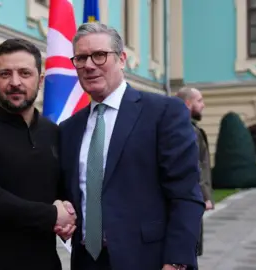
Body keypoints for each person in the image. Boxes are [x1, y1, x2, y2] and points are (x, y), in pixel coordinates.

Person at [59, 22, 205, 270]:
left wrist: (177, 261)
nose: (89, 65)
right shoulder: (69, 128)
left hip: (148, 260)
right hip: (86, 261)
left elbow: (186, 194)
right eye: (81, 58)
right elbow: (71, 193)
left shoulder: (164, 112)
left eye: (99, 55)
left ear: (122, 59)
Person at [0, 38, 76, 270]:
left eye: (24, 73)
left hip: (45, 262)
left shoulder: (53, 132)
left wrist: (68, 215)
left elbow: (61, 190)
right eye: (5, 74)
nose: (15, 82)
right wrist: (53, 215)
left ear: (40, 81)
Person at [176, 87, 214, 257]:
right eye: (199, 101)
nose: (203, 105)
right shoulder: (188, 130)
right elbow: (195, 166)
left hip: (188, 198)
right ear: (187, 104)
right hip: (191, 199)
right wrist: (205, 196)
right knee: (189, 250)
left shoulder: (186, 127)